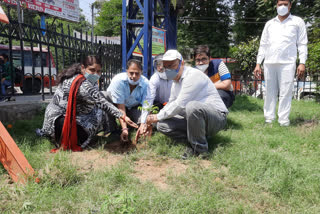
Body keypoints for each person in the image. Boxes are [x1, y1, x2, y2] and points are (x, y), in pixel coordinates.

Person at [36, 56, 138, 151]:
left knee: (103, 99)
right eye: (92, 70)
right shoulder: (81, 84)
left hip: (73, 115)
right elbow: (101, 102)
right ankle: (83, 140)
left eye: (98, 71)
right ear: (83, 68)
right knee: (100, 110)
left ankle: (110, 132)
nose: (95, 74)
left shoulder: (85, 79)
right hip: (58, 121)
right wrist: (123, 116)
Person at [146, 49, 228, 159]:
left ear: (182, 63)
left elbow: (179, 104)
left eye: (172, 65)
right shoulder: (176, 81)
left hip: (216, 117)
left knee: (192, 106)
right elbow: (171, 102)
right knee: (162, 125)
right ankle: (195, 139)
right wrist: (155, 119)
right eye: (166, 67)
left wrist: (157, 116)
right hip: (197, 118)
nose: (168, 69)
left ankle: (200, 150)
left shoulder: (193, 76)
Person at [254, 0, 308, 126]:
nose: (282, 6)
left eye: (285, 4)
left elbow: (302, 43)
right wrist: (258, 63)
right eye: (280, 4)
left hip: (287, 63)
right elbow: (263, 44)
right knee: (269, 93)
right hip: (269, 63)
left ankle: (283, 120)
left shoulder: (297, 22)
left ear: (290, 6)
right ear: (276, 6)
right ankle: (269, 119)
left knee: (286, 92)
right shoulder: (269, 24)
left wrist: (302, 62)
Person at [106, 59, 149, 142]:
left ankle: (139, 128)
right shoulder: (118, 81)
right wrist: (124, 129)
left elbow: (146, 105)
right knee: (108, 101)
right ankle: (112, 129)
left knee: (145, 121)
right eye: (131, 73)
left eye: (137, 73)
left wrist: (143, 124)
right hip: (117, 106)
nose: (134, 76)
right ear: (126, 71)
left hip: (134, 107)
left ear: (141, 72)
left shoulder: (146, 84)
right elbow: (120, 107)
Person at [135, 54, 173, 140]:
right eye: (158, 64)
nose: (160, 67)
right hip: (158, 106)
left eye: (162, 64)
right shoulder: (154, 78)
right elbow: (149, 99)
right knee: (145, 117)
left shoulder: (174, 76)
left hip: (172, 105)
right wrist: (143, 122)